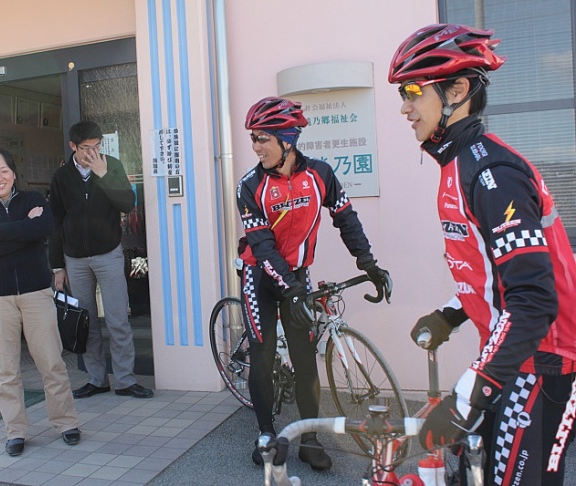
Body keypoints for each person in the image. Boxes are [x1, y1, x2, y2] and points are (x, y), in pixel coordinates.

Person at [389, 24, 576, 486]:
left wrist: (468, 395)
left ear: (457, 90)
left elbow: (533, 298)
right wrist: (452, 315)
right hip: (514, 357)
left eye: (413, 90)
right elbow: (494, 272)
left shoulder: (491, 172)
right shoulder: (459, 163)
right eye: (402, 93)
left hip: (545, 361)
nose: (404, 106)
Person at [237, 97, 392, 471]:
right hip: (260, 276)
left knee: (306, 360)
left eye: (262, 138)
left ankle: (309, 438)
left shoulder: (320, 174)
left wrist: (368, 262)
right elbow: (263, 246)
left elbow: (346, 218)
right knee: (262, 352)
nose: (256, 147)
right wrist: (291, 289)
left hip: (296, 276)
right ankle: (264, 433)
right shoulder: (250, 185)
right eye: (253, 139)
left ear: (287, 140)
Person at [0, 148, 80, 457]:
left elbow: (44, 228)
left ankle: (66, 422)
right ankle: (15, 432)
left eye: (4, 171)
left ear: (14, 173)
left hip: (35, 293)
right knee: (6, 370)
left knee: (51, 362)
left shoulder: (34, 200)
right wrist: (23, 230)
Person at [49, 120, 153, 399]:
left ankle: (125, 380)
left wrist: (104, 174)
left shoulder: (112, 166)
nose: (92, 153)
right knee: (87, 322)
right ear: (73, 147)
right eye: (86, 148)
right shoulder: (61, 177)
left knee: (118, 319)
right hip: (75, 259)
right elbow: (55, 222)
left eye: (97, 147)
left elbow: (127, 204)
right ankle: (97, 379)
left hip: (108, 254)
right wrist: (57, 265)